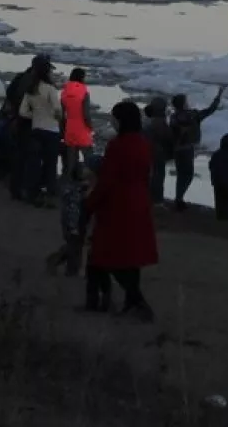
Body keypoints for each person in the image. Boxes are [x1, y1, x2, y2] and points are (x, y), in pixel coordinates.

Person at [84, 101, 157, 321]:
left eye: (114, 118)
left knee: (106, 256)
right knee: (130, 258)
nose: (112, 121)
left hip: (118, 206)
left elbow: (107, 181)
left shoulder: (118, 146)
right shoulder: (143, 144)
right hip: (139, 202)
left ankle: (133, 301)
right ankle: (126, 303)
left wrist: (89, 204)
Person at [168, 88, 225, 212]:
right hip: (187, 149)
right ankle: (179, 199)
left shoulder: (173, 117)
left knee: (181, 175)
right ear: (183, 103)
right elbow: (210, 110)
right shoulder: (193, 115)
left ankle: (178, 198)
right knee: (187, 175)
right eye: (186, 101)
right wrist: (218, 96)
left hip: (177, 150)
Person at [4, 55, 50, 202]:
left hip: (20, 122)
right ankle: (29, 192)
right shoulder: (40, 83)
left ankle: (16, 190)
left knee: (20, 157)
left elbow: (9, 94)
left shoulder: (21, 78)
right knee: (33, 159)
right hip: (33, 124)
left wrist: (14, 113)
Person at [46, 156, 96, 277]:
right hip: (73, 225)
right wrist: (74, 226)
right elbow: (73, 211)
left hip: (76, 224)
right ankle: (66, 268)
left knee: (75, 247)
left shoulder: (78, 190)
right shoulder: (75, 192)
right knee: (74, 248)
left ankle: (63, 264)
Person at [23, 64, 64, 203]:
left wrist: (34, 115)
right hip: (51, 131)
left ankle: (33, 192)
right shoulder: (51, 89)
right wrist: (57, 118)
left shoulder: (30, 89)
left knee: (34, 162)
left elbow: (22, 112)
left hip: (36, 129)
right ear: (47, 73)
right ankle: (49, 194)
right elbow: (58, 109)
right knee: (50, 164)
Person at [60, 68, 94, 173]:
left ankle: (69, 180)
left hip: (69, 127)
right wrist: (91, 126)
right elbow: (86, 114)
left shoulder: (65, 91)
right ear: (82, 77)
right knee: (89, 157)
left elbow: (61, 113)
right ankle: (89, 180)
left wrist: (63, 128)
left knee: (71, 159)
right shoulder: (84, 92)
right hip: (82, 128)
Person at [143, 97, 172, 206]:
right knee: (158, 176)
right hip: (158, 152)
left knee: (151, 175)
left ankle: (149, 197)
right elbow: (167, 136)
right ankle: (157, 199)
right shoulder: (159, 121)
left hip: (148, 151)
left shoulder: (149, 120)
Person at [209, 134, 228, 221]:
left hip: (217, 181)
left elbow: (211, 165)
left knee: (219, 199)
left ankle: (220, 216)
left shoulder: (216, 154)